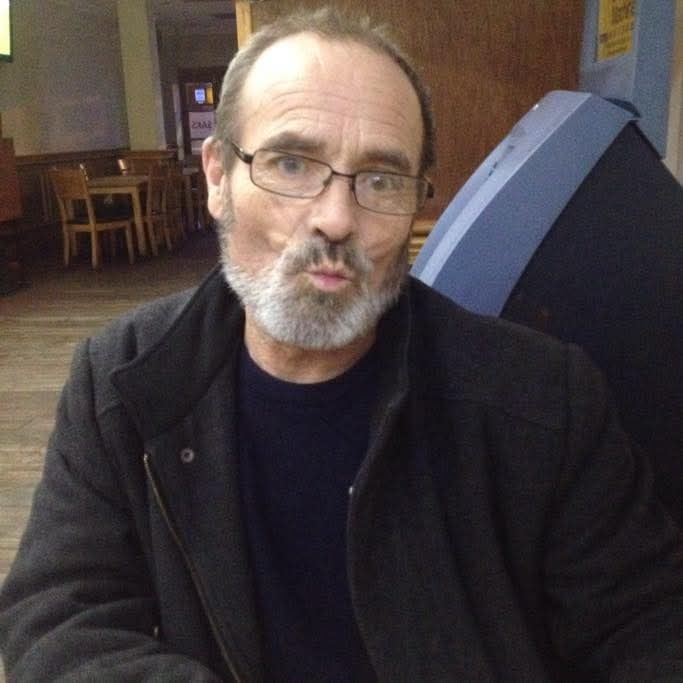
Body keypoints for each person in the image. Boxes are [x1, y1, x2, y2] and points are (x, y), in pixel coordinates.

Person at [1, 7, 683, 682]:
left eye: (381, 179)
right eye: (291, 163)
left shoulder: (543, 401)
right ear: (217, 178)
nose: (335, 218)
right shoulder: (121, 383)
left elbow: (646, 629)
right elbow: (59, 622)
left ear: (416, 200)